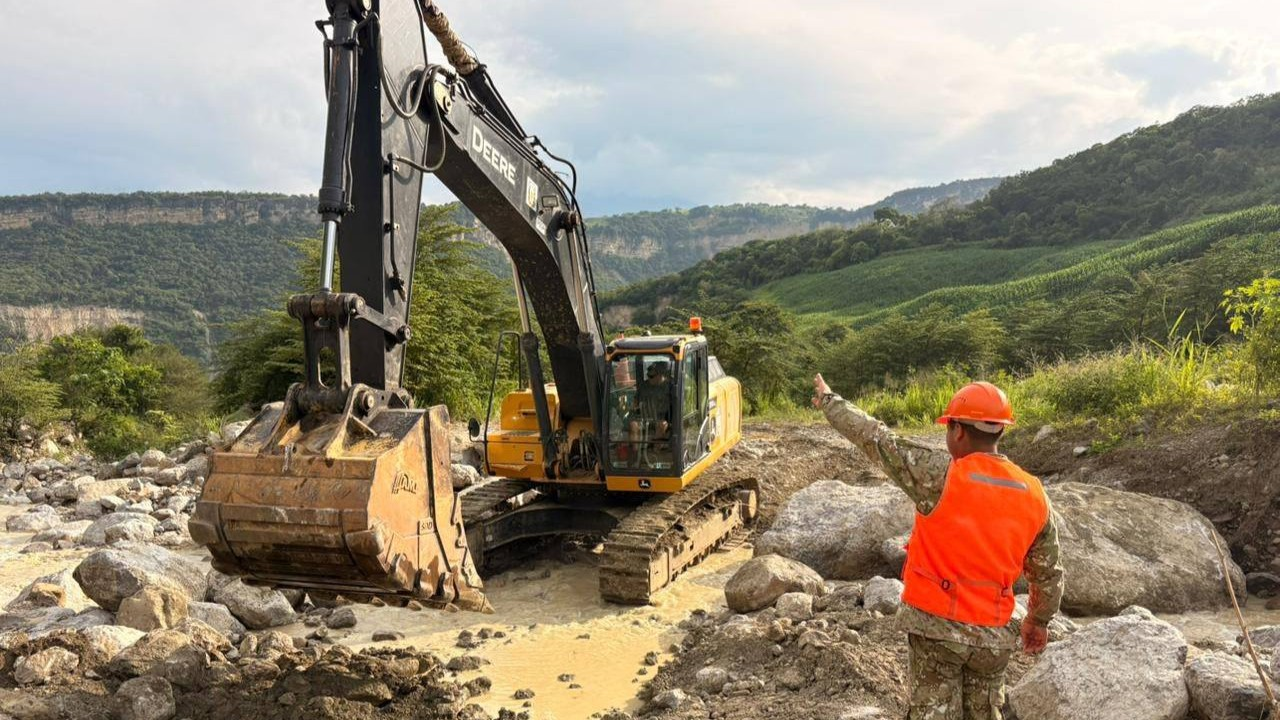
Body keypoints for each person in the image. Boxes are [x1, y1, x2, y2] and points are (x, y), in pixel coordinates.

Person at [812, 374, 1063, 720]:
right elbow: (1049, 574)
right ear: (1000, 431)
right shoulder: (1034, 493)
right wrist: (1038, 620)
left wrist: (830, 401)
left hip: (936, 630)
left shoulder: (940, 475)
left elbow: (877, 439)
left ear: (957, 430)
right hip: (993, 638)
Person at [629, 362, 673, 464]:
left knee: (661, 425)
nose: (649, 378)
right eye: (648, 375)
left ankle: (654, 453)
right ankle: (636, 454)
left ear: (661, 375)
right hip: (644, 419)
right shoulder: (644, 386)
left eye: (652, 376)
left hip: (661, 418)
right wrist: (634, 408)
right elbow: (635, 400)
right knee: (633, 425)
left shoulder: (670, 386)